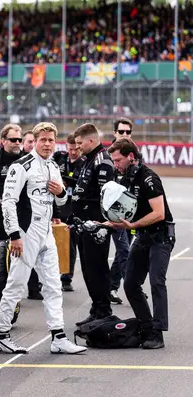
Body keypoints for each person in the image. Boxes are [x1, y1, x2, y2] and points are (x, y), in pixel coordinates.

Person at [0, 122, 86, 355]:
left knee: (54, 286)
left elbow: (63, 205)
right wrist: (14, 234)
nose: (46, 144)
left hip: (46, 234)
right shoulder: (21, 166)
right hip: (25, 234)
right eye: (42, 139)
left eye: (51, 140)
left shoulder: (54, 166)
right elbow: (8, 202)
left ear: (56, 142)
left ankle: (58, 336)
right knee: (16, 283)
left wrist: (62, 193)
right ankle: (1, 335)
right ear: (34, 140)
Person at [107, 139, 174, 349]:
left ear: (130, 157)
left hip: (161, 236)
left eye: (118, 160)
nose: (115, 164)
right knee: (130, 283)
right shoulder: (125, 177)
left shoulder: (148, 177)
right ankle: (145, 326)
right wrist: (105, 223)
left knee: (156, 281)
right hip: (143, 235)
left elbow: (159, 213)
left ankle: (157, 332)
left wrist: (132, 225)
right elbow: (125, 210)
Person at [0, 123, 42, 300]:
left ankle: (33, 289)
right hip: (2, 216)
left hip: (25, 215)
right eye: (13, 140)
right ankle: (5, 291)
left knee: (29, 251)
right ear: (3, 141)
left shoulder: (28, 161)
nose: (17, 143)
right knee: (4, 255)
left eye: (19, 139)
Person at [72, 123, 115, 326]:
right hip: (84, 224)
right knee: (89, 270)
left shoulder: (102, 161)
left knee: (97, 269)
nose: (77, 146)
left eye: (80, 143)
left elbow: (106, 197)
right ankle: (97, 308)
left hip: (96, 226)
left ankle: (103, 311)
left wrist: (101, 224)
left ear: (91, 140)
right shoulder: (88, 159)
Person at [108, 117, 135, 304]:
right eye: (121, 131)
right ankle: (132, 289)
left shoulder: (134, 155)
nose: (124, 134)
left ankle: (111, 287)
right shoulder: (107, 156)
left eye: (128, 132)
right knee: (125, 251)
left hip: (130, 213)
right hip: (113, 214)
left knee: (122, 252)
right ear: (114, 133)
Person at [52, 132, 84, 292]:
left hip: (75, 211)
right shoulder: (59, 157)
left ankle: (66, 278)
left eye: (76, 149)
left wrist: (66, 180)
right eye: (70, 149)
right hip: (58, 209)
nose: (73, 152)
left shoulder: (84, 163)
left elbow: (80, 183)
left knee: (71, 246)